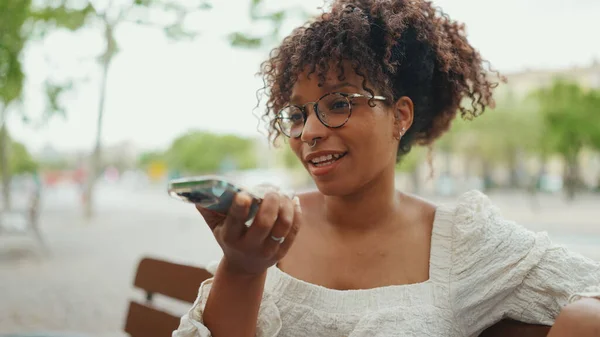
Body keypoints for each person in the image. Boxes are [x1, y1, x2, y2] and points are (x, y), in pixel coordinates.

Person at [173, 1, 600, 336]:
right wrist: (244, 266)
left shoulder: (463, 244)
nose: (310, 132)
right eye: (298, 114)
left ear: (400, 116)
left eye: (340, 103)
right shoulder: (271, 222)